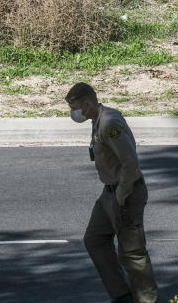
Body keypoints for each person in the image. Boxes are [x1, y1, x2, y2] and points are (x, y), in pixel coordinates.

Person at [65, 82, 160, 303]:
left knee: (133, 254)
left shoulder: (109, 123)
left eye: (76, 107)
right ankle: (122, 295)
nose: (74, 113)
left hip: (124, 194)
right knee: (95, 240)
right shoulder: (97, 119)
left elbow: (130, 163)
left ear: (87, 104)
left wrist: (120, 196)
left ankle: (148, 301)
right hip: (109, 193)